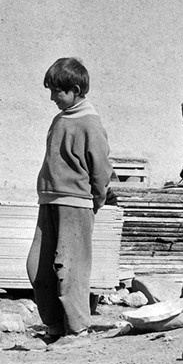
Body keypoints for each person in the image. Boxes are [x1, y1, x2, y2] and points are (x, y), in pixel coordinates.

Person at [25, 57, 113, 347]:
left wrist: (97, 199)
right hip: (49, 201)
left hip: (76, 204)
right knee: (38, 266)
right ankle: (54, 326)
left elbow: (100, 168)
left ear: (75, 89)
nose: (52, 97)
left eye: (57, 92)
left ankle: (78, 331)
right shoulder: (60, 119)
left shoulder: (90, 122)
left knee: (69, 267)